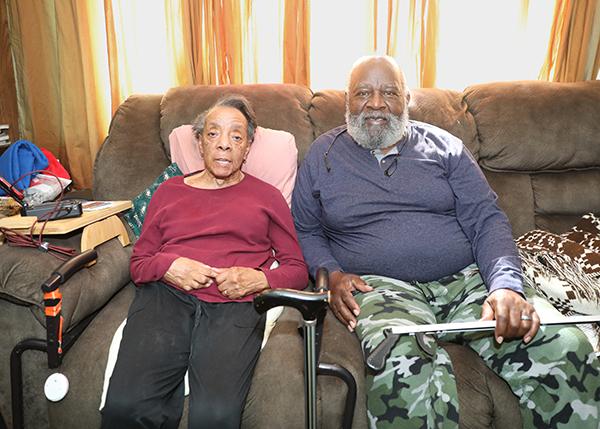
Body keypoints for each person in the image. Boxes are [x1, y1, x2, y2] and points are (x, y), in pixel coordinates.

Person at [291, 55, 600, 428]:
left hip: (466, 278)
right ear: (347, 103)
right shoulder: (322, 157)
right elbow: (306, 229)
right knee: (401, 368)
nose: (375, 103)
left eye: (389, 92)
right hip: (381, 287)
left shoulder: (445, 147)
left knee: (565, 347)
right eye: (363, 93)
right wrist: (333, 274)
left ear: (407, 100)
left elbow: (487, 220)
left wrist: (505, 287)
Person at [101, 94, 308, 429]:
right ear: (199, 142)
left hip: (235, 303)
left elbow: (297, 270)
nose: (224, 145)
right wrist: (169, 266)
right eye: (213, 134)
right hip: (165, 297)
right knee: (125, 407)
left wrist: (259, 280)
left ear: (248, 147)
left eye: (236, 136)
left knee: (215, 415)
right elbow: (139, 263)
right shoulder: (169, 192)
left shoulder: (268, 197)